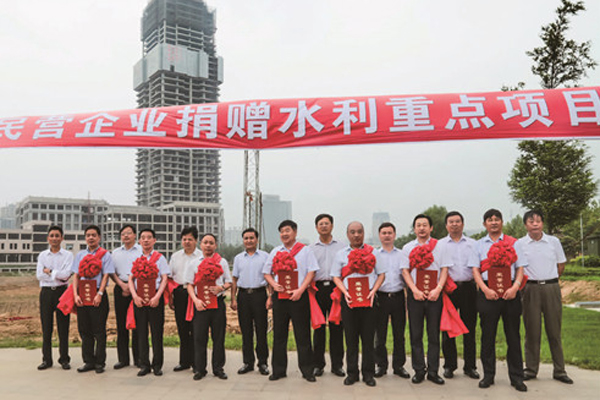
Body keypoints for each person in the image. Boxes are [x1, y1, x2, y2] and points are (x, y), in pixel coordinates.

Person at [473, 209, 528, 392]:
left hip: (510, 293)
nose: (494, 222)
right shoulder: (479, 245)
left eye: (497, 219)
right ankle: (488, 375)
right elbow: (475, 270)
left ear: (502, 222)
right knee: (487, 336)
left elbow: (520, 268)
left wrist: (515, 287)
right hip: (488, 293)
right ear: (485, 224)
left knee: (513, 335)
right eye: (490, 220)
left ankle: (517, 377)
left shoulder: (514, 243)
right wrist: (485, 290)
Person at [518, 209, 573, 384]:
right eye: (531, 221)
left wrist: (550, 278)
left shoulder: (553, 242)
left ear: (542, 223)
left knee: (554, 330)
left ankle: (560, 370)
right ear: (525, 225)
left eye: (538, 221)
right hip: (530, 289)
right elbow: (518, 268)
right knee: (532, 331)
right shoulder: (519, 244)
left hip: (551, 287)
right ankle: (531, 369)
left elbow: (561, 265)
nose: (535, 224)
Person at [263, 220, 319, 382]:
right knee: (279, 335)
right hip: (280, 298)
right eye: (282, 231)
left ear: (295, 232)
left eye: (287, 230)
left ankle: (307, 370)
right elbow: (266, 272)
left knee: (303, 335)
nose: (284, 234)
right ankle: (279, 370)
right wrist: (274, 284)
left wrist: (301, 290)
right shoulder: (275, 251)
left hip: (299, 297)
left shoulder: (305, 251)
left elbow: (312, 272)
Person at [332, 221, 386, 387]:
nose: (356, 235)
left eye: (359, 232)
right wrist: (345, 292)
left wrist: (373, 291)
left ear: (363, 233)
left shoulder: (373, 252)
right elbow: (335, 276)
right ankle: (352, 373)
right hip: (349, 300)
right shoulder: (341, 254)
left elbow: (381, 274)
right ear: (347, 234)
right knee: (351, 339)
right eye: (352, 232)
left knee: (368, 339)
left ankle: (368, 374)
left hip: (369, 300)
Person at [401, 214, 451, 385]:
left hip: (434, 296)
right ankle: (419, 370)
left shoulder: (440, 247)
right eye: (418, 225)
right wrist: (414, 290)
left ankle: (433, 371)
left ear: (431, 228)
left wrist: (438, 289)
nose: (421, 228)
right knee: (416, 335)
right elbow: (405, 271)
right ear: (414, 229)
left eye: (425, 225)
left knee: (433, 335)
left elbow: (444, 269)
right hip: (415, 296)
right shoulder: (407, 248)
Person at [437, 212, 480, 380]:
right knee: (448, 329)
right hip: (449, 289)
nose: (454, 224)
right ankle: (449, 366)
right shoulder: (440, 245)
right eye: (451, 222)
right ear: (446, 225)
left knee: (470, 328)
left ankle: (470, 366)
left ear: (463, 224)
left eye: (457, 221)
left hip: (469, 288)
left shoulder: (473, 244)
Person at [186, 233, 232, 381]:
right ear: (201, 245)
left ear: (215, 245)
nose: (208, 245)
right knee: (199, 338)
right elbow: (189, 285)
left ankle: (218, 368)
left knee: (218, 338)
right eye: (205, 242)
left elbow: (229, 282)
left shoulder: (222, 262)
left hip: (217, 304)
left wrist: (221, 288)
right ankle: (200, 369)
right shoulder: (194, 263)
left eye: (211, 243)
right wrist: (195, 301)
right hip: (201, 305)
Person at [72, 225, 115, 374]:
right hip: (82, 295)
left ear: (99, 237)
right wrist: (76, 295)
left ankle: (99, 362)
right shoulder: (80, 255)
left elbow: (106, 275)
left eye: (94, 235)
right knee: (84, 330)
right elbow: (76, 276)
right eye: (88, 235)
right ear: (85, 238)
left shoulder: (105, 255)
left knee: (99, 331)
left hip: (97, 294)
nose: (91, 238)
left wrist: (100, 293)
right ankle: (88, 361)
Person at [128, 228, 170, 377]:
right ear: (139, 241)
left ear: (154, 240)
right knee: (141, 333)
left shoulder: (160, 258)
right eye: (143, 237)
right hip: (139, 300)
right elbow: (131, 279)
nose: (146, 240)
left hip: (155, 300)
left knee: (157, 333)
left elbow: (164, 278)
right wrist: (135, 296)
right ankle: (144, 364)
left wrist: (157, 297)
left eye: (149, 237)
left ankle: (157, 365)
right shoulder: (136, 259)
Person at [309, 213, 346, 378]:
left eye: (326, 223)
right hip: (317, 290)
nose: (324, 226)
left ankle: (337, 365)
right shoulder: (311, 248)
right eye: (321, 224)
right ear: (316, 227)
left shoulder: (342, 247)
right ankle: (318, 365)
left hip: (336, 289)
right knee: (318, 328)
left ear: (332, 226)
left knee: (337, 327)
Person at [231, 228, 270, 376]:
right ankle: (248, 362)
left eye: (251, 238)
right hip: (243, 296)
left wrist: (270, 297)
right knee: (246, 331)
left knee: (261, 330)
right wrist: (233, 298)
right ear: (243, 241)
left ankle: (263, 363)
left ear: (257, 240)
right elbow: (234, 279)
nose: (249, 241)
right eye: (246, 238)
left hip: (260, 295)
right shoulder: (238, 258)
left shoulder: (265, 256)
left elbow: (269, 278)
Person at [373, 222, 410, 379]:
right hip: (380, 297)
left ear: (394, 235)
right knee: (379, 334)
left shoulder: (402, 254)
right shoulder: (374, 255)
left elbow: (406, 275)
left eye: (389, 233)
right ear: (379, 235)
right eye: (384, 233)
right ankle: (381, 365)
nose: (387, 236)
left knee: (399, 334)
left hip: (398, 296)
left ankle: (398, 366)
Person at [36, 225, 73, 371]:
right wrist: (57, 274)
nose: (54, 238)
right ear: (48, 238)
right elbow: (39, 275)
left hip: (62, 292)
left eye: (57, 235)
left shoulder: (68, 255)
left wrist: (50, 271)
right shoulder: (42, 255)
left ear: (62, 238)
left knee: (63, 327)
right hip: (46, 293)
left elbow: (66, 276)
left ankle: (64, 359)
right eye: (51, 236)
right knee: (46, 328)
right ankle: (47, 360)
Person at [169, 226, 201, 373]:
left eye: (190, 239)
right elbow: (170, 278)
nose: (187, 242)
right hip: (180, 293)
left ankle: (196, 362)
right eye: (184, 239)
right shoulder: (175, 257)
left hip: (196, 295)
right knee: (182, 328)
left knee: (195, 329)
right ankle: (184, 361)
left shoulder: (201, 256)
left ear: (196, 240)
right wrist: (171, 296)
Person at [110, 224, 142, 370]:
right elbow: (111, 272)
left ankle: (139, 358)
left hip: (138, 289)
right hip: (121, 288)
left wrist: (132, 287)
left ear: (135, 235)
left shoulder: (141, 251)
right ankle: (123, 359)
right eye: (123, 234)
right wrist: (122, 285)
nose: (126, 236)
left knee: (138, 325)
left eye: (129, 233)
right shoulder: (115, 253)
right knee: (121, 324)